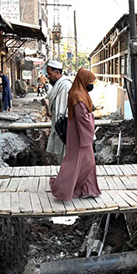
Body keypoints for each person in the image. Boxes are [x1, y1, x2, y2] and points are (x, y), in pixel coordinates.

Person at [50, 68, 101, 201]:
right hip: (79, 136)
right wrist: (92, 117)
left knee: (87, 162)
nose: (91, 85)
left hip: (79, 135)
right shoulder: (78, 96)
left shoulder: (79, 92)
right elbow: (82, 118)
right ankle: (62, 189)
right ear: (84, 81)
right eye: (90, 81)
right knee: (75, 163)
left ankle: (86, 189)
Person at [44, 60, 72, 162]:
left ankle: (67, 176)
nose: (48, 77)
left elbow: (63, 111)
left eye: (50, 74)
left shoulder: (65, 85)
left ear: (57, 72)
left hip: (63, 128)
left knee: (65, 155)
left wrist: (61, 129)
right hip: (58, 125)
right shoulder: (58, 85)